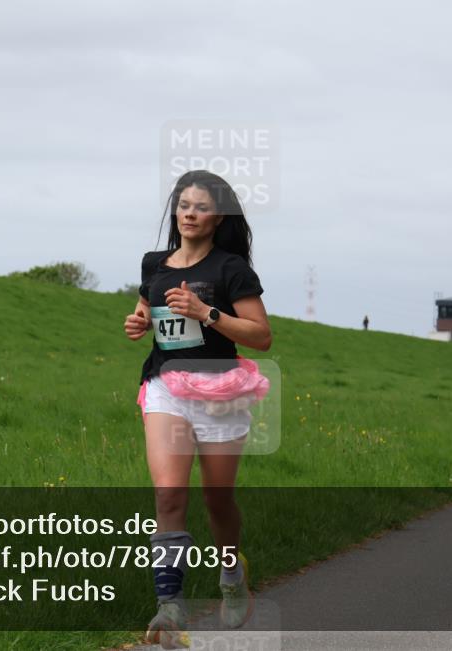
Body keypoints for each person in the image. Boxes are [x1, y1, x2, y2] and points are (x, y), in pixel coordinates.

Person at [124, 170, 271, 645]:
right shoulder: (154, 263)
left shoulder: (232, 270)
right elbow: (148, 311)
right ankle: (170, 607)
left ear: (218, 216)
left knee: (217, 498)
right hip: (165, 385)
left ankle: (231, 572)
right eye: (183, 204)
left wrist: (205, 312)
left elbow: (261, 336)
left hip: (219, 392)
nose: (189, 213)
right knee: (169, 495)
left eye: (201, 206)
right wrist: (138, 322)